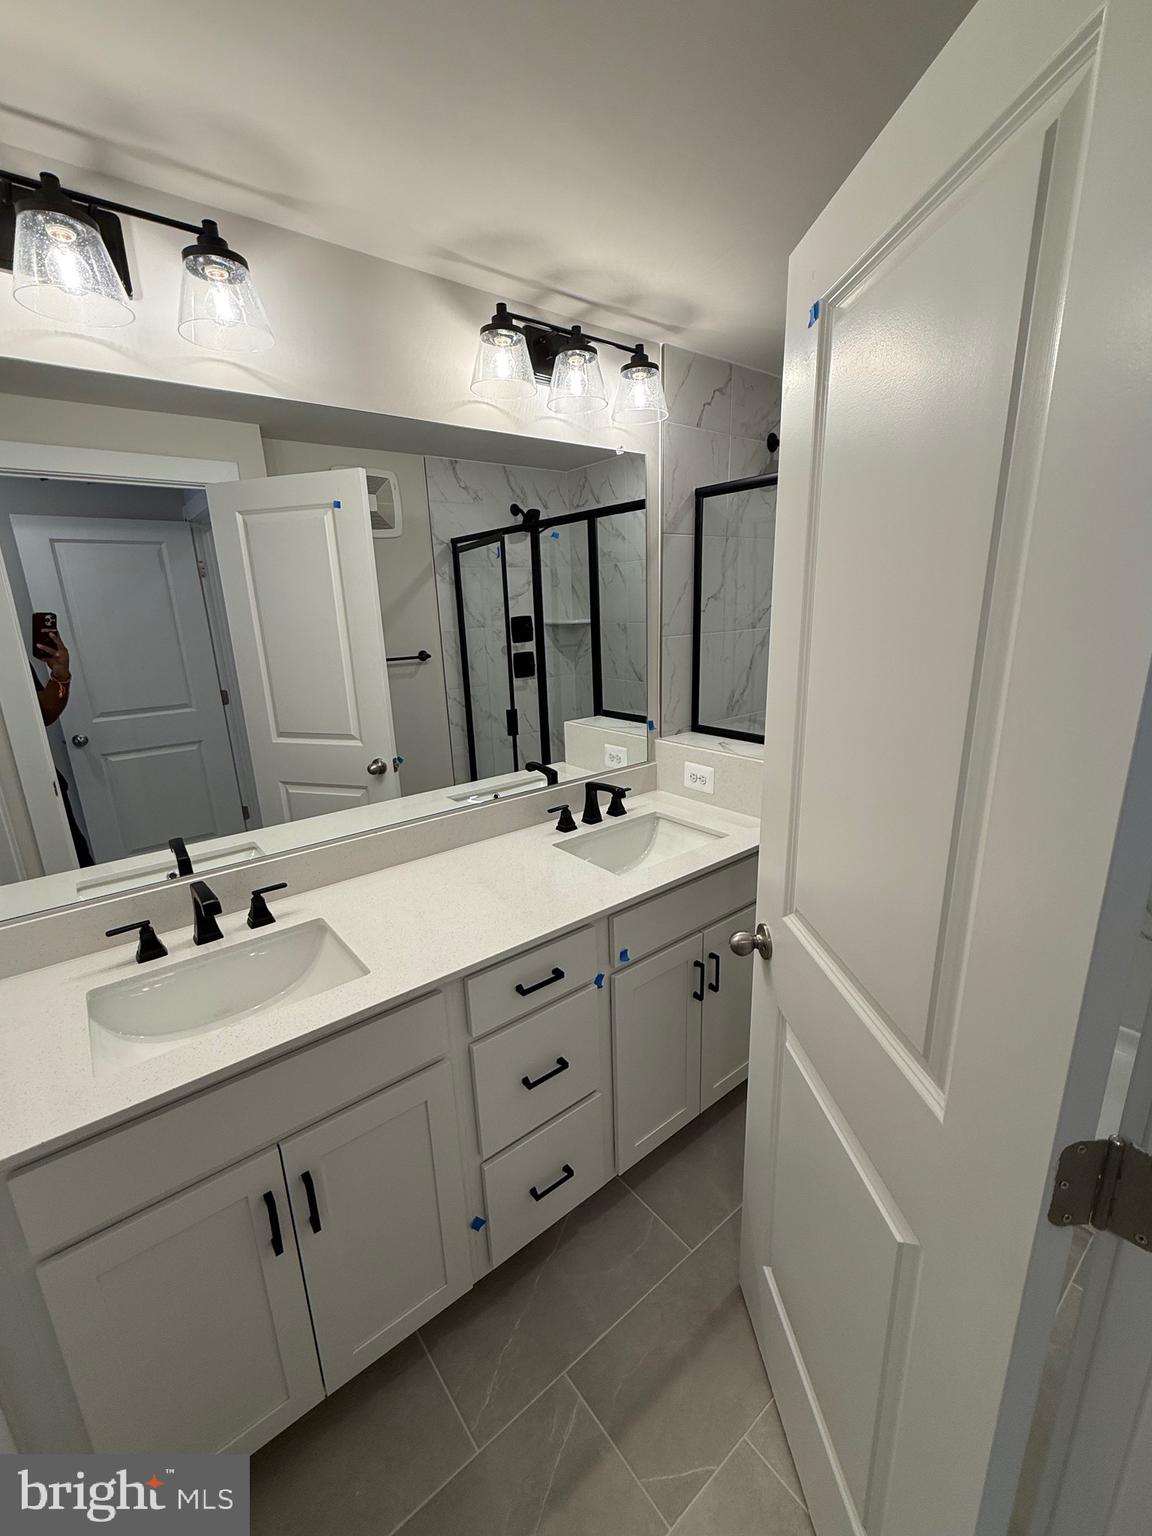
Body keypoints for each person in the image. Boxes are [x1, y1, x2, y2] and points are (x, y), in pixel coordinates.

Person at [31, 626, 94, 868]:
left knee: (77, 862)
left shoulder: (8, 657)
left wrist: (60, 674)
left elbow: (43, 714)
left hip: (44, 782)